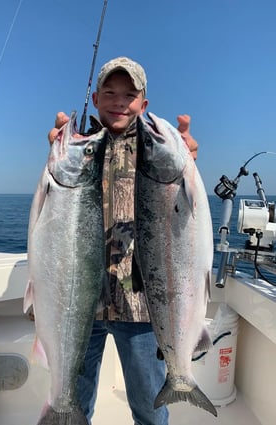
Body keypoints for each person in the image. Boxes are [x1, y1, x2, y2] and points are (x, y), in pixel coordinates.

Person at [48, 56, 198, 425]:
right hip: (80, 306)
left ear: (143, 105)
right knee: (74, 403)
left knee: (149, 407)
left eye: (129, 95)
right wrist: (57, 151)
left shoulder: (158, 147)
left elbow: (183, 216)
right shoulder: (80, 144)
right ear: (96, 99)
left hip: (142, 308)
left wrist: (190, 163)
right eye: (110, 93)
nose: (119, 101)